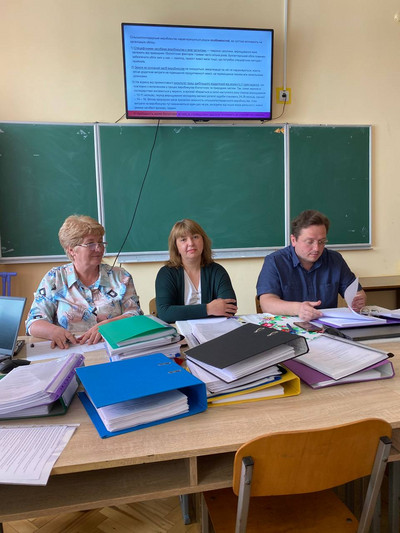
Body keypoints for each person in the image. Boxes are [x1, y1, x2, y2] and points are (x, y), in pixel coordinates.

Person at [26, 215, 142, 348]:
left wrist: (109, 326)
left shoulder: (121, 277)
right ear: (71, 250)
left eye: (100, 242)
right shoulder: (54, 278)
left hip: (114, 348)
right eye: (91, 243)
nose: (99, 249)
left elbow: (135, 315)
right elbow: (33, 323)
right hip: (69, 351)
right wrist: (54, 331)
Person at [256, 210, 366, 321]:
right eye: (310, 242)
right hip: (288, 327)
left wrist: (358, 300)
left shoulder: (335, 259)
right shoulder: (275, 261)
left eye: (321, 242)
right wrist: (298, 309)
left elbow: (357, 292)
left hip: (328, 327)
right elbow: (267, 303)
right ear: (293, 240)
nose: (316, 248)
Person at [155, 219, 237, 323]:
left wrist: (180, 312)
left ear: (203, 240)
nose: (191, 243)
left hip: (212, 331)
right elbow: (165, 313)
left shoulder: (217, 271)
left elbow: (230, 308)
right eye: (183, 239)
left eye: (195, 237)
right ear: (176, 247)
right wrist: (208, 309)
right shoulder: (166, 273)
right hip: (179, 334)